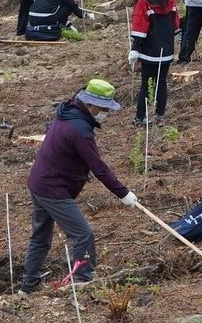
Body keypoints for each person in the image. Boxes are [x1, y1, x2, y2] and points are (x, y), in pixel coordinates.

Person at [18, 79, 136, 293]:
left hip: (39, 181)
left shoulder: (67, 112)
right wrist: (123, 193)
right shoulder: (80, 129)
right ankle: (83, 281)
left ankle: (28, 285)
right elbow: (98, 167)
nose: (105, 114)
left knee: (41, 237)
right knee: (83, 234)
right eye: (103, 109)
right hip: (53, 189)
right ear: (90, 105)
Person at [129, 0, 179, 125]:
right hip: (167, 51)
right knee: (161, 82)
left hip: (149, 51)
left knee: (146, 84)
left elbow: (140, 26)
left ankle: (139, 117)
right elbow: (176, 23)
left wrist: (135, 49)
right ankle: (159, 116)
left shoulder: (144, 1)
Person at [25, 0, 89, 40]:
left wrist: (69, 25)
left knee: (64, 7)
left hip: (32, 18)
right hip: (42, 19)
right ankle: (61, 26)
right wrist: (86, 14)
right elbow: (74, 8)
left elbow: (61, 12)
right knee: (67, 7)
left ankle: (65, 26)